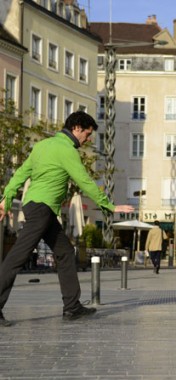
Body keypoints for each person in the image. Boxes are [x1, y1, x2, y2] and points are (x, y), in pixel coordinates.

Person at [0, 111, 134, 326]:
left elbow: (20, 174)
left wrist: (6, 199)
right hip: (42, 209)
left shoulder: (42, 145)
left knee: (65, 252)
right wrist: (109, 205)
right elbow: (85, 181)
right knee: (17, 257)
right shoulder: (67, 150)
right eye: (88, 134)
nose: (88, 140)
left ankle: (72, 307)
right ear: (77, 128)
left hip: (38, 207)